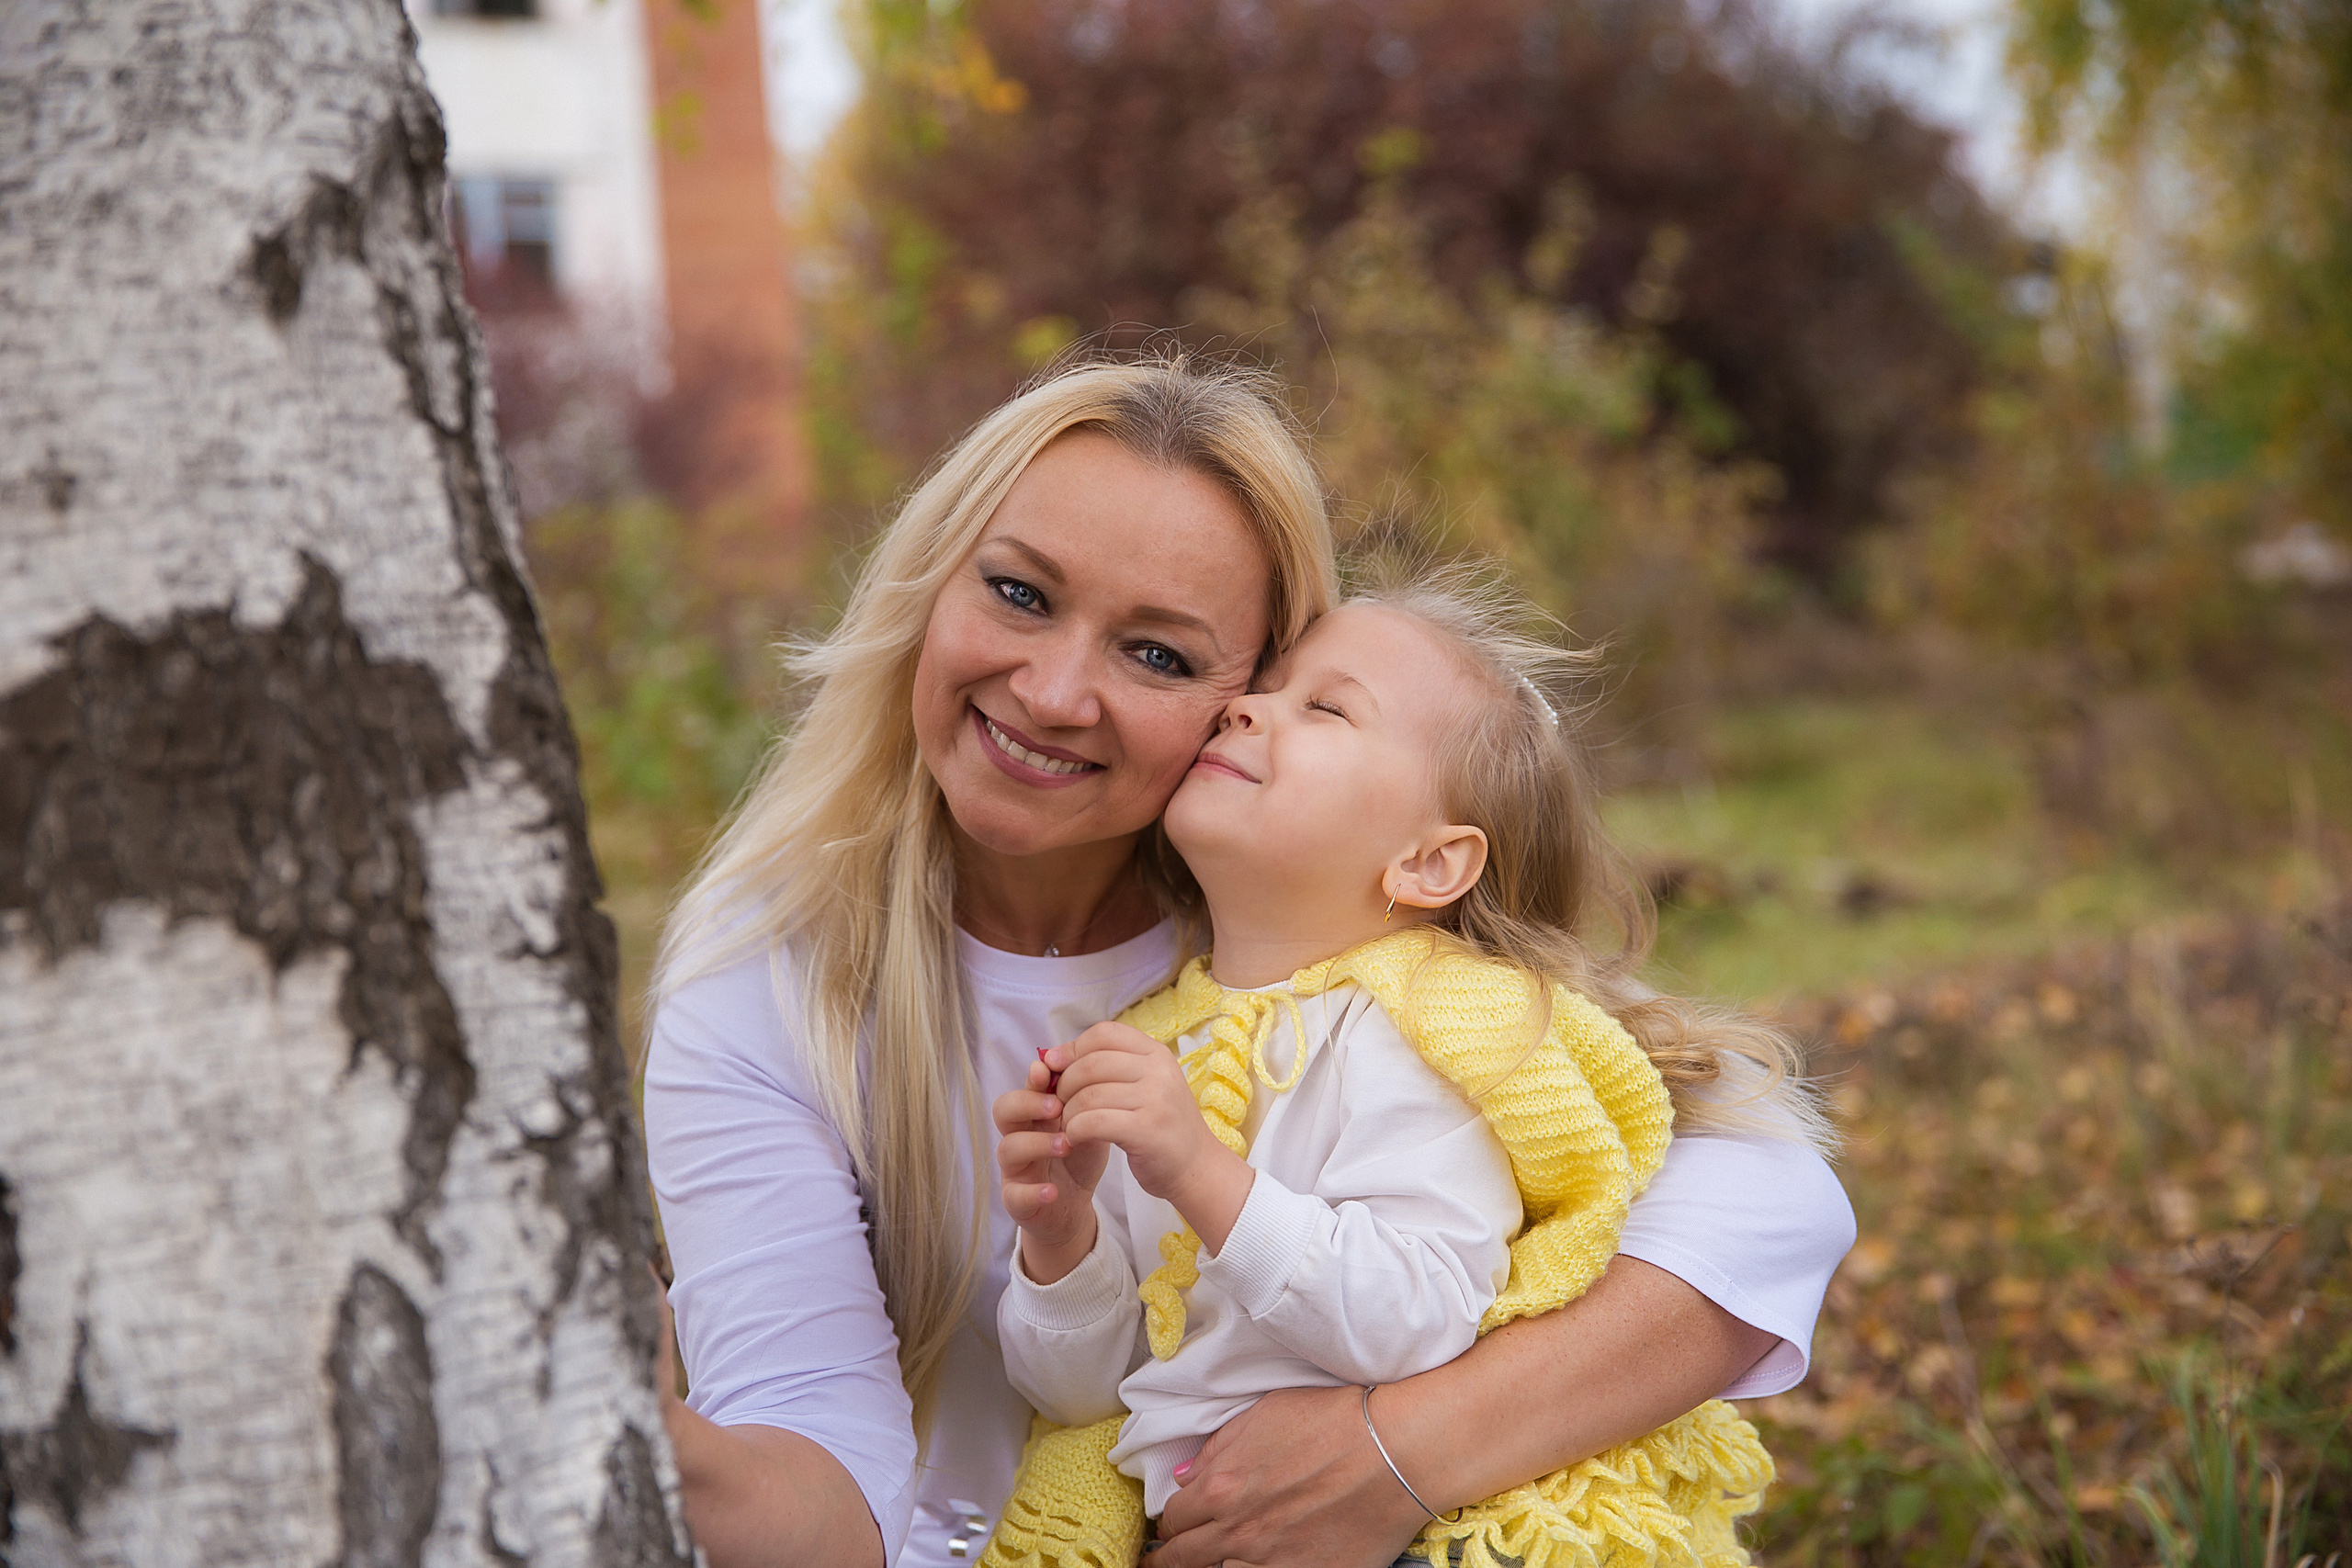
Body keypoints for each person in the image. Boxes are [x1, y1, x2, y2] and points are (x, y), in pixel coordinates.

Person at [643, 355, 1855, 1568]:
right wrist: (643, 1433)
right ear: (927, 582)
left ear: (1242, 691)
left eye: (1159, 656)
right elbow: (833, 1450)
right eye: (1017, 592)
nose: (1054, 693)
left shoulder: (1310, 929)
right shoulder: (769, 972)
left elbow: (1771, 1196)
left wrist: (1404, 1449)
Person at [983, 573, 1792, 1568]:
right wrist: (1060, 1237)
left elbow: (1417, 1320)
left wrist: (1198, 1171)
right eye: (1264, 689)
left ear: (1428, 864)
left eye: (1324, 708)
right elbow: (1085, 1394)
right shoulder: (1154, 1040)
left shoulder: (1429, 1031)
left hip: (1409, 1533)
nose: (1245, 708)